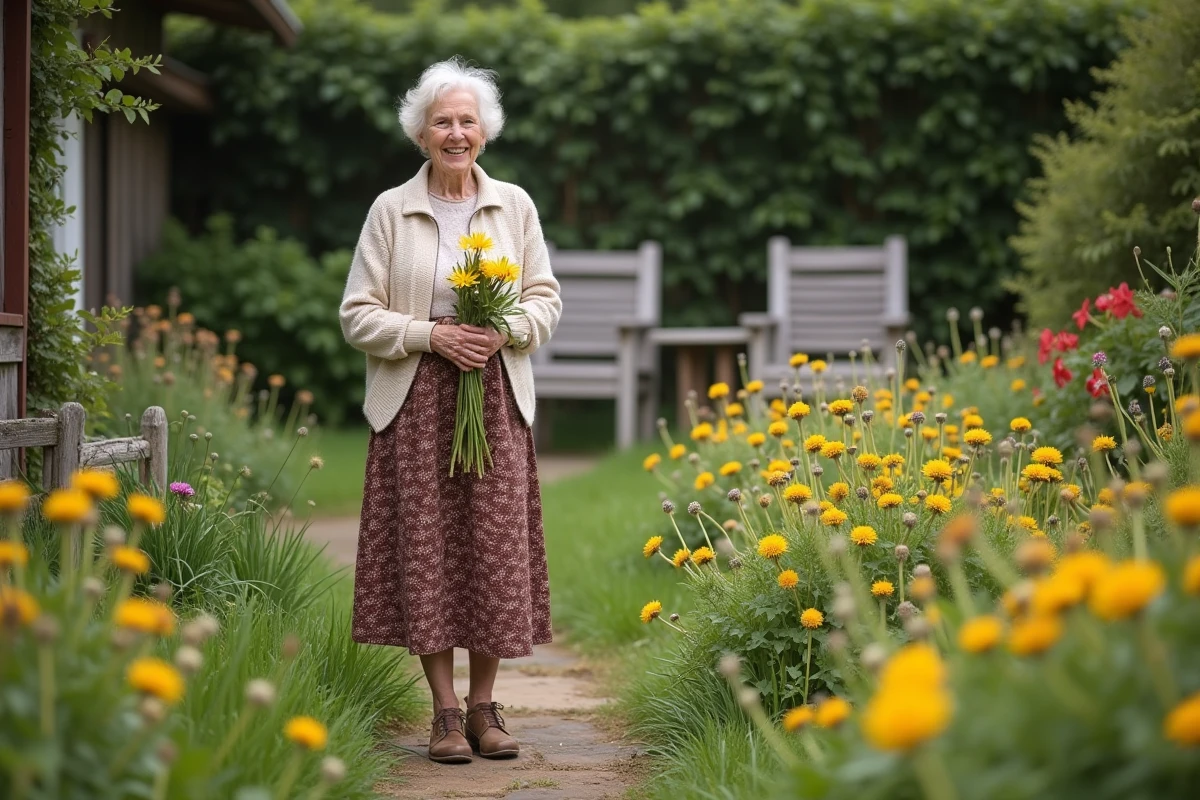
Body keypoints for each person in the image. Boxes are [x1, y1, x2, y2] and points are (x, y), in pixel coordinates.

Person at [339, 57, 562, 765]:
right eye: (443, 121)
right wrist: (429, 335)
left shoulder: (514, 206)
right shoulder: (390, 210)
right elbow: (357, 315)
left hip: (492, 398)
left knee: (492, 551)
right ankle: (441, 713)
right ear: (421, 134)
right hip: (416, 402)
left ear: (485, 133)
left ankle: (485, 709)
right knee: (428, 552)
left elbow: (545, 297)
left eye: (467, 120)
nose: (456, 132)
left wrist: (507, 329)